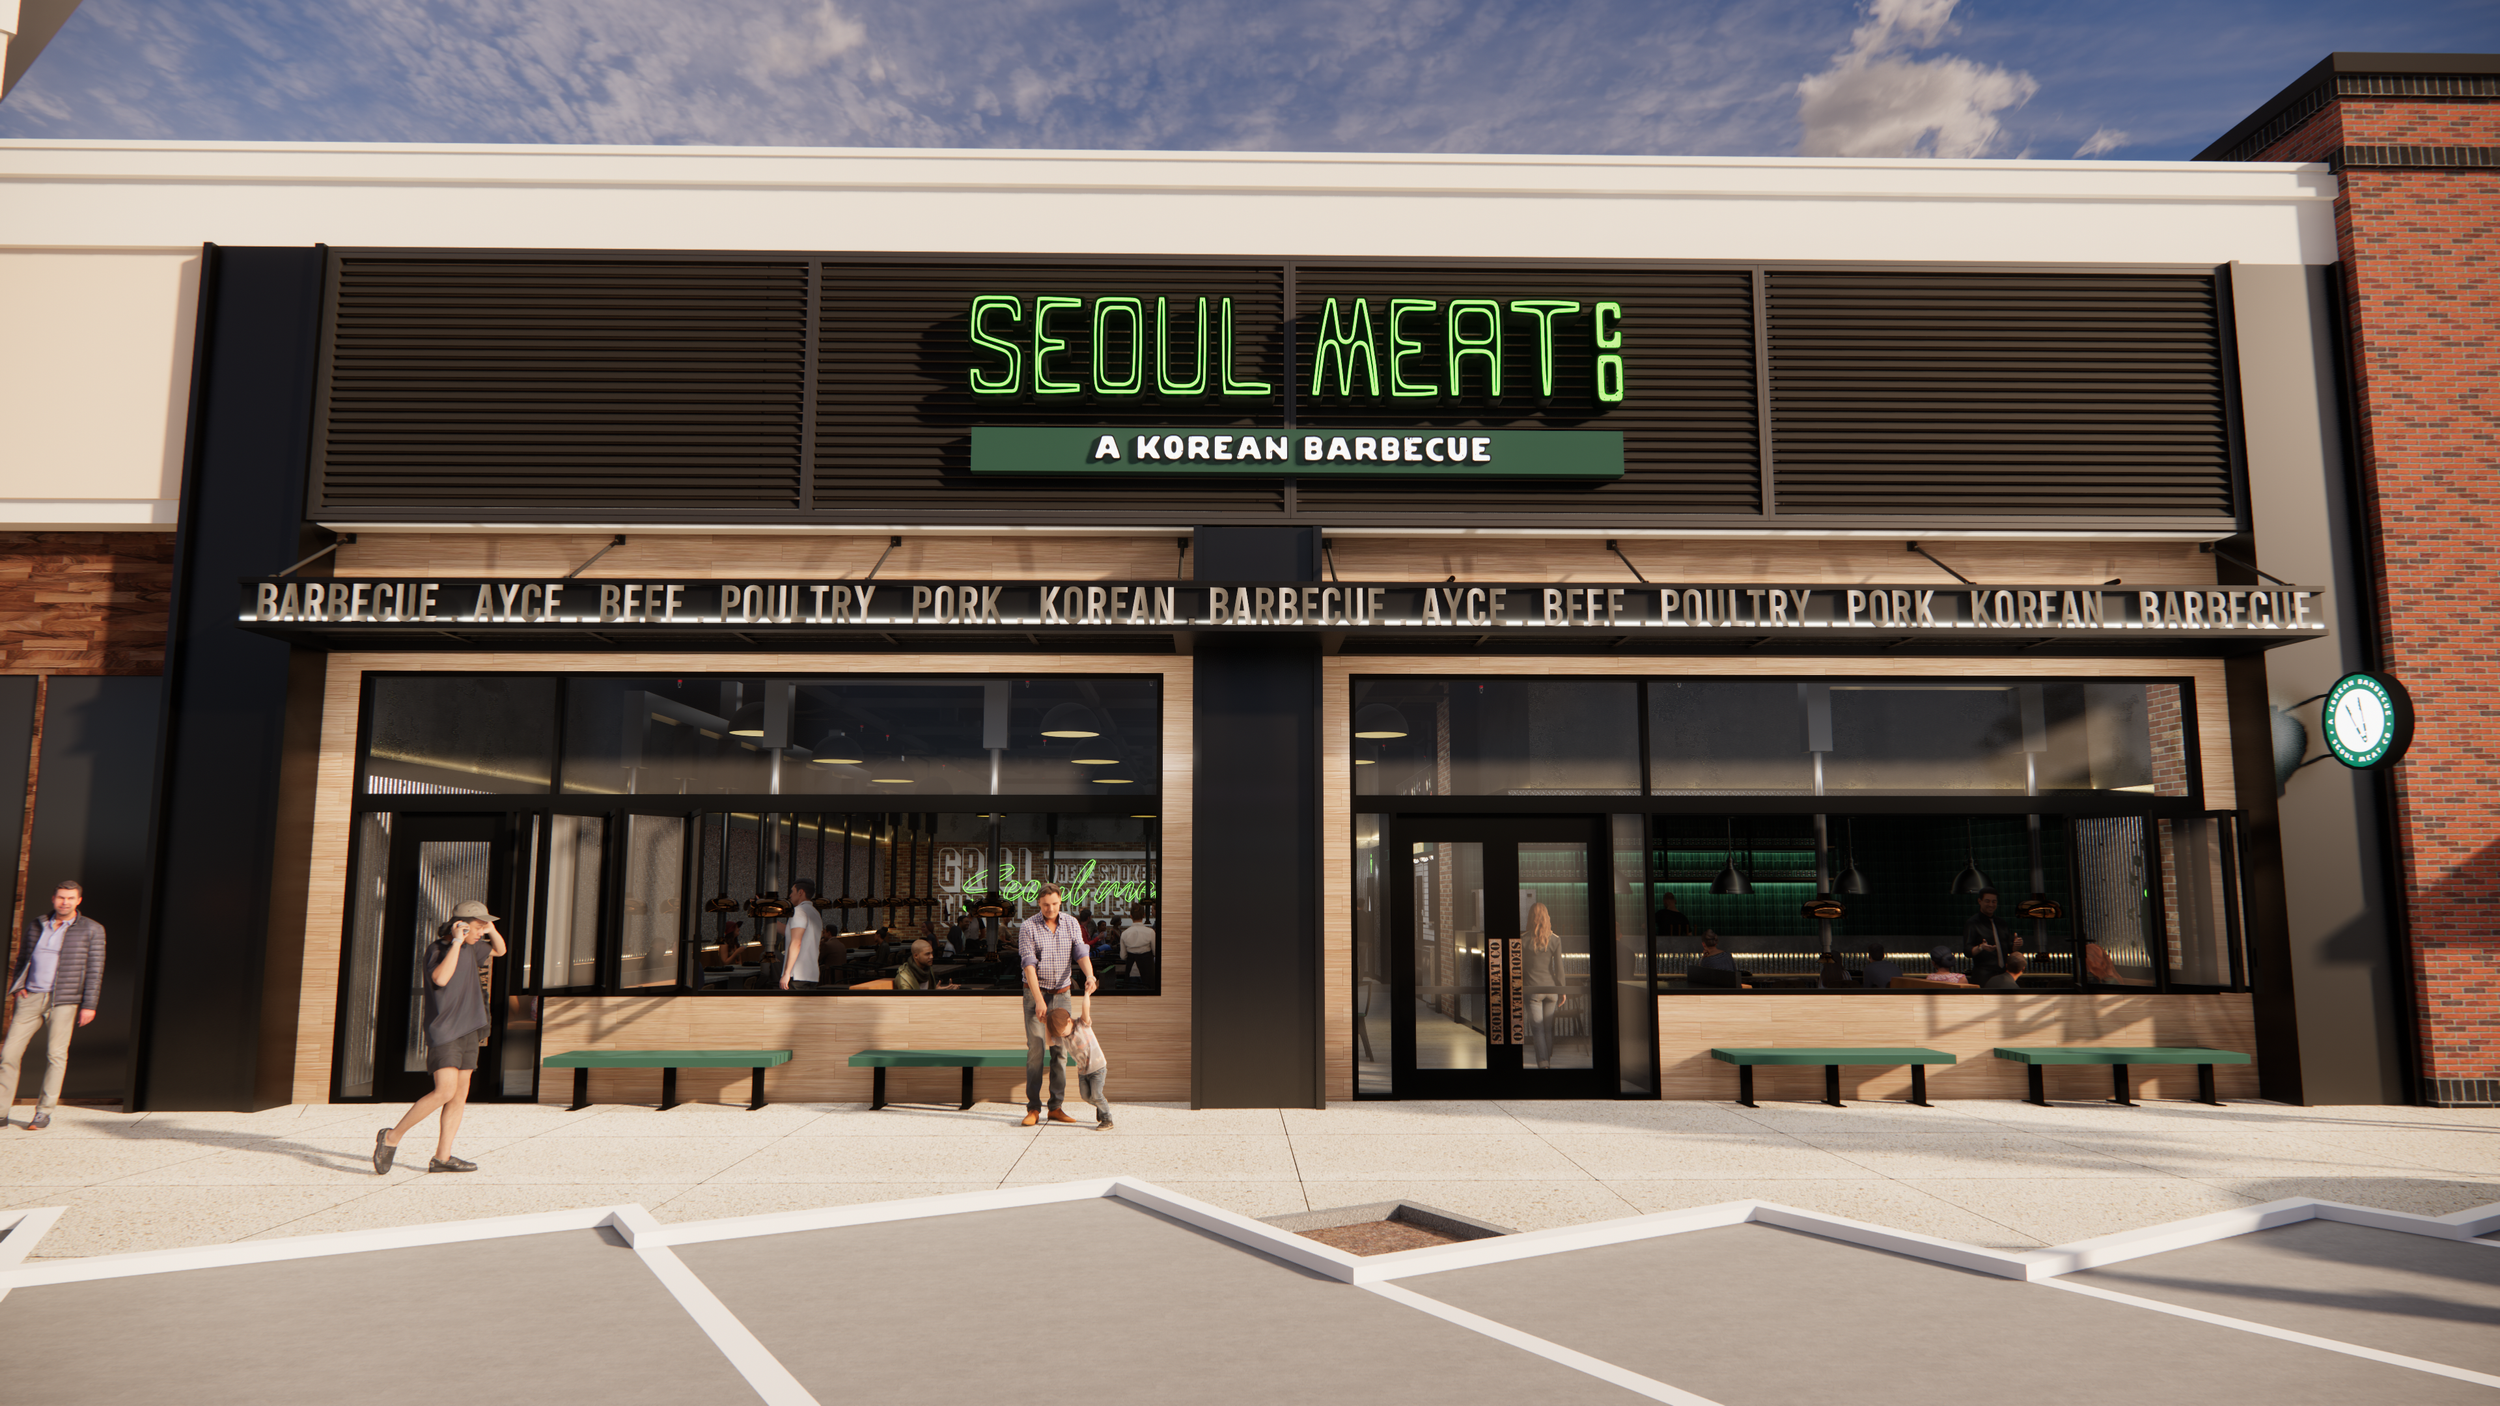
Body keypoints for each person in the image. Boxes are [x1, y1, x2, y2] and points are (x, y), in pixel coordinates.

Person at [376, 900, 504, 1174]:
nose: (482, 933)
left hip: (470, 1028)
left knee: (458, 1095)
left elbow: (500, 950)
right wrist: (457, 943)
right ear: (462, 926)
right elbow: (441, 979)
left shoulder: (474, 947)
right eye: (479, 927)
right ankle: (391, 1137)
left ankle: (442, 1158)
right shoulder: (440, 949)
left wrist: (488, 927)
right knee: (444, 1091)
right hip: (446, 1029)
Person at [2, 881, 105, 1131]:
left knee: (56, 1055)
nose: (65, 902)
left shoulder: (92, 929)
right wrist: (19, 985)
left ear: (78, 900)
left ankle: (43, 1112)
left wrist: (89, 1005)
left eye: (70, 898)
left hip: (64, 1001)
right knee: (8, 1054)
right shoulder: (37, 924)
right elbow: (23, 957)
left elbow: (95, 970)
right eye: (61, 897)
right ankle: (1, 1111)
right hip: (31, 998)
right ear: (53, 898)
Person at [1017, 883, 1096, 1127]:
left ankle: (1056, 1107)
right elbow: (1028, 965)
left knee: (1061, 1052)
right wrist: (1039, 1000)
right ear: (1038, 904)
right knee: (1036, 1051)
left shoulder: (1072, 923)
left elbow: (1081, 953)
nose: (1050, 909)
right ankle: (1033, 1108)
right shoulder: (1028, 926)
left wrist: (1090, 976)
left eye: (1054, 904)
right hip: (1035, 994)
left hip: (1062, 993)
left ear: (1060, 901)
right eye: (1045, 905)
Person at [1521, 901, 1573, 1070]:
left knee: (1537, 1030)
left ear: (1531, 917)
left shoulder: (1522, 939)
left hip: (1532, 991)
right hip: (1552, 990)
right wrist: (1562, 991)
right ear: (1547, 917)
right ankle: (1547, 1059)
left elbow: (1519, 968)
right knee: (1548, 1028)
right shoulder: (1555, 940)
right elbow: (1559, 968)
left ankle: (1544, 1064)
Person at [1045, 1006, 1113, 1130]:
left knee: (1096, 1094)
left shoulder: (1082, 1025)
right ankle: (1100, 1104)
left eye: (1063, 1032)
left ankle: (1107, 1119)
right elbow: (1049, 1042)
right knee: (1085, 1096)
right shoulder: (1065, 1038)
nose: (1062, 1035)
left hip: (1097, 1068)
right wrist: (1046, 1024)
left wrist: (1087, 993)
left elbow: (1085, 1007)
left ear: (1069, 1021)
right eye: (1060, 1034)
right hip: (1083, 1071)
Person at [1964, 888, 2022, 982]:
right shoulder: (1972, 923)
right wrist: (1981, 948)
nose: (1991, 904)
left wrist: (2016, 946)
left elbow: (2009, 949)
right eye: (1987, 901)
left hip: (2004, 974)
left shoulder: (2002, 923)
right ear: (1980, 901)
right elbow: (1967, 951)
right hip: (1983, 976)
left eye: (1994, 901)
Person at [779, 879, 824, 990]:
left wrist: (787, 973)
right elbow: (791, 932)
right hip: (811, 974)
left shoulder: (799, 911)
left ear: (800, 892)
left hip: (797, 974)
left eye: (792, 891)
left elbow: (796, 942)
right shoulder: (814, 912)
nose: (790, 895)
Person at [892, 938, 957, 991]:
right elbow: (909, 1002)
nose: (931, 956)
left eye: (932, 953)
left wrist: (938, 991)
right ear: (916, 956)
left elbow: (930, 993)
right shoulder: (904, 977)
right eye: (927, 954)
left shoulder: (928, 969)